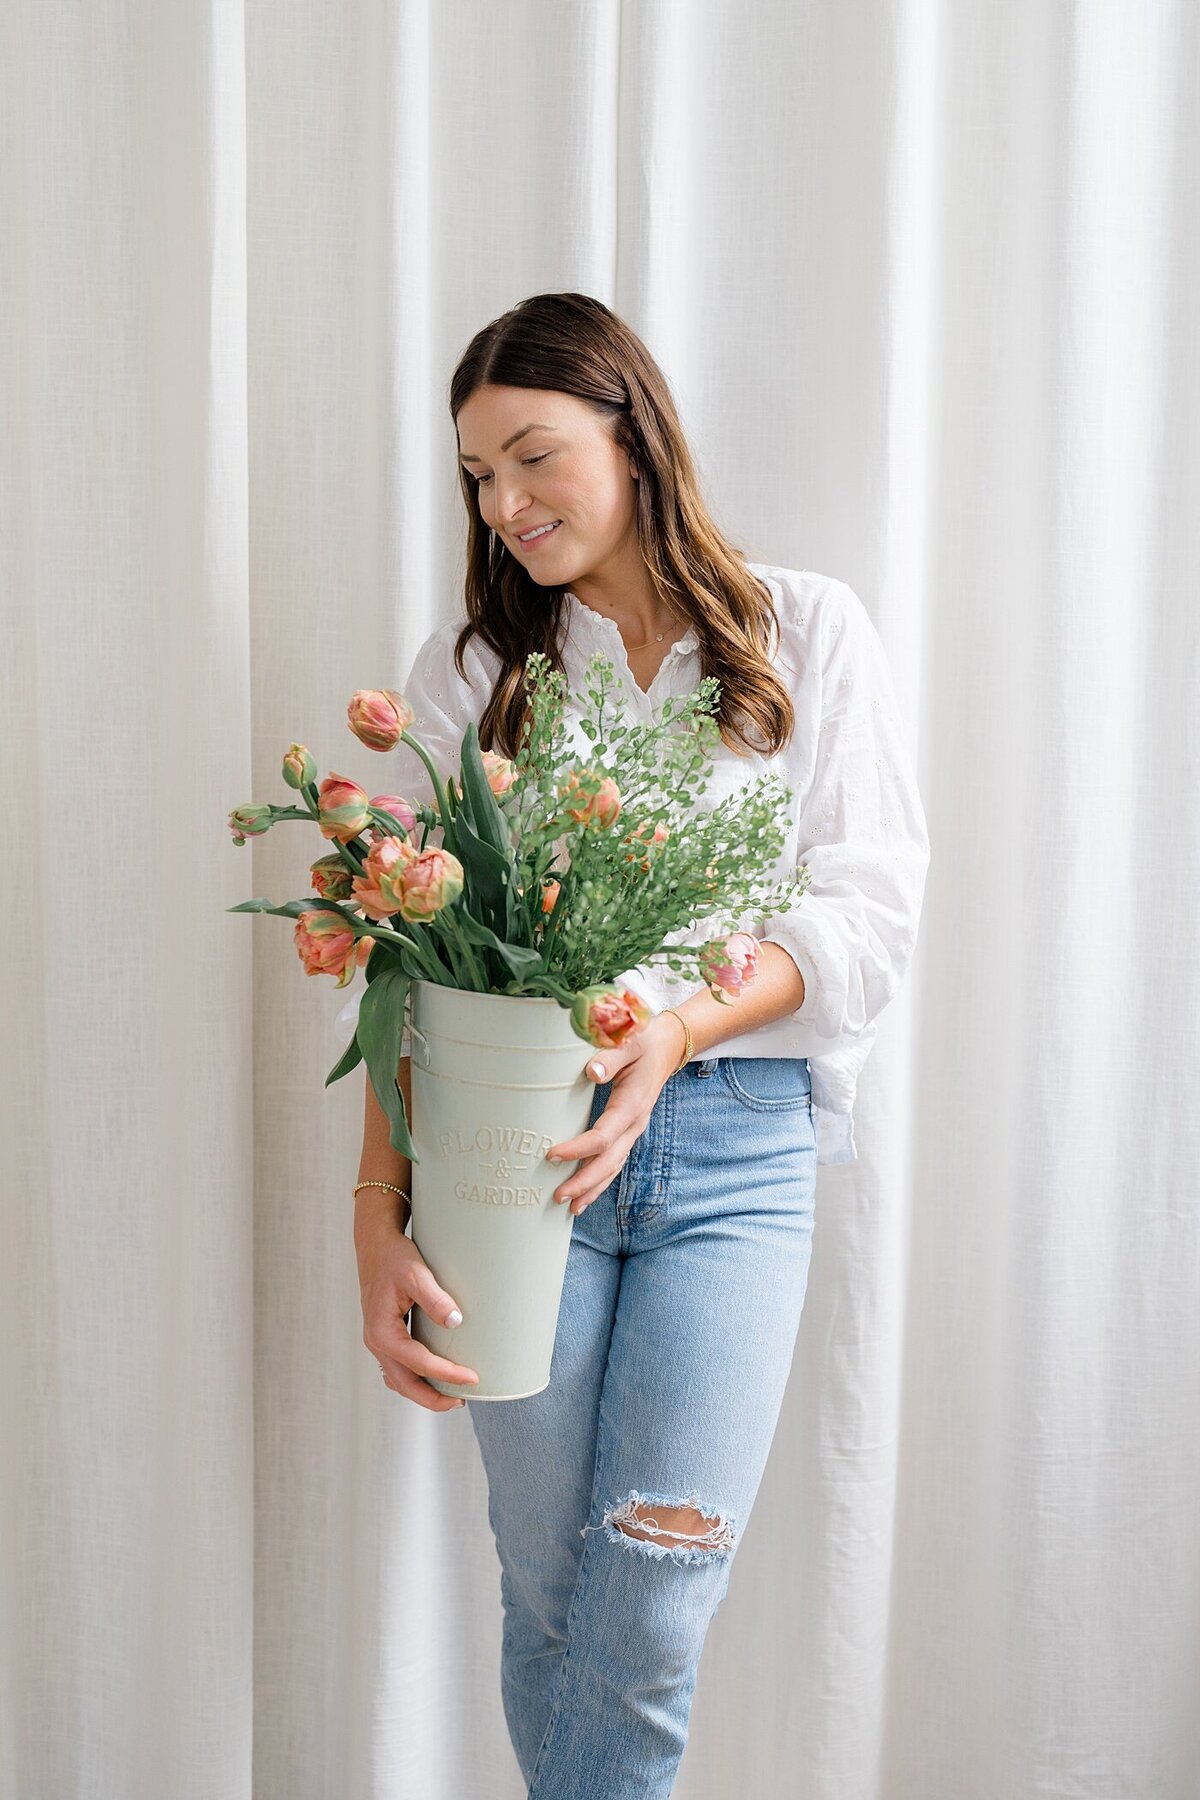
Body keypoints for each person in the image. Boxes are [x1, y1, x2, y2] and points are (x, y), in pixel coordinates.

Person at [347, 292, 930, 1797]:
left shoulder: (807, 632)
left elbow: (866, 922)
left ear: (634, 430)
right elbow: (405, 959)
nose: (506, 502)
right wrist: (374, 1215)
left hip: (740, 1148)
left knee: (654, 1591)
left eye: (533, 455)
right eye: (479, 475)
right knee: (551, 1587)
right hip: (508, 1157)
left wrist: (673, 1032)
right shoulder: (475, 674)